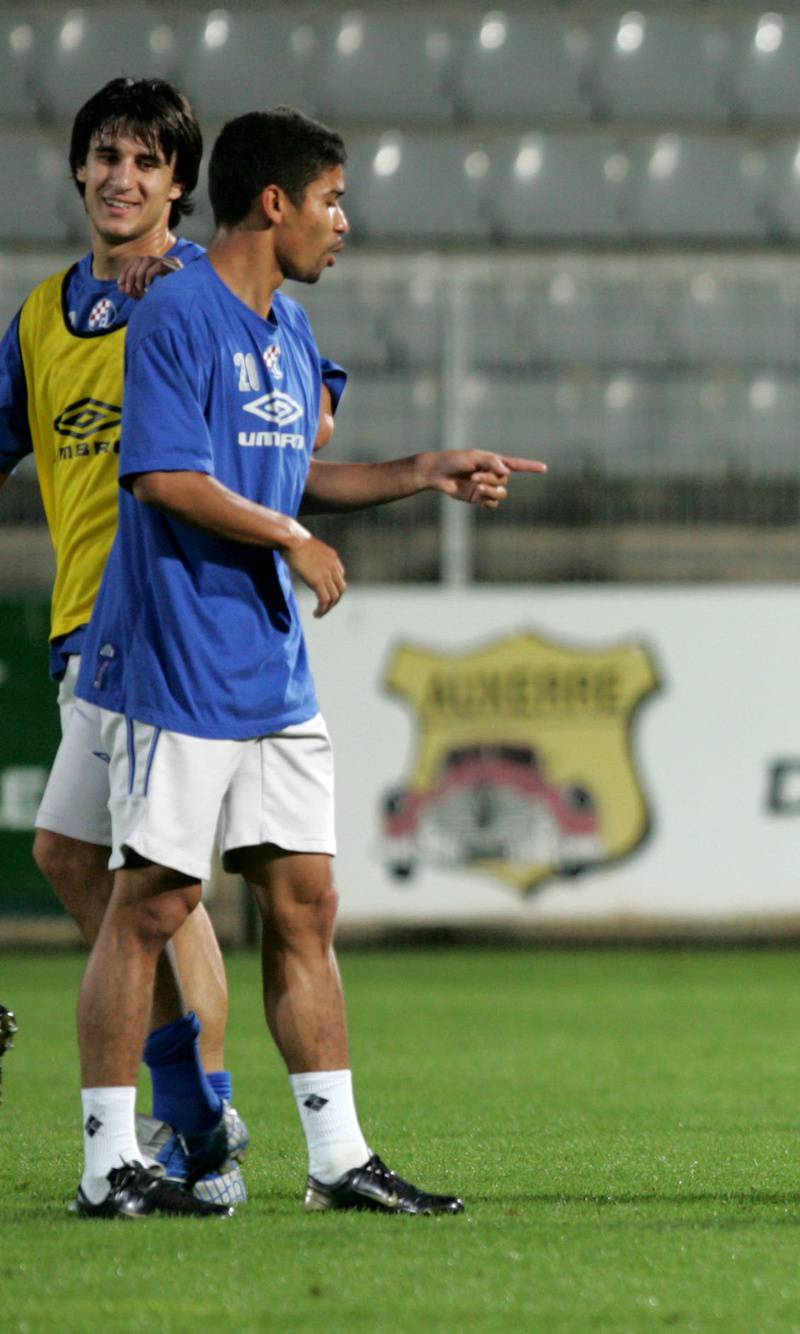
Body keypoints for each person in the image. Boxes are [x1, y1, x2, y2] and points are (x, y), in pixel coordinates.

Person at [66, 104, 543, 1219]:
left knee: (306, 899)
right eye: (332, 199)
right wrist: (288, 538)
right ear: (273, 202)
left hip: (270, 667)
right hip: (177, 653)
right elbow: (164, 478)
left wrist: (425, 466)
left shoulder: (281, 332)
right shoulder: (177, 310)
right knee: (152, 899)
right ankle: (107, 1162)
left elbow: (286, 471)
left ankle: (337, 1157)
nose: (344, 222)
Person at [0, 77, 345, 1204]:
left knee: (167, 889)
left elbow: (305, 405)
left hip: (166, 627)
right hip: (80, 628)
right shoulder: (42, 317)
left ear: (185, 188)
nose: (121, 178)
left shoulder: (206, 291)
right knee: (75, 860)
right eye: (105, 156)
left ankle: (194, 1114)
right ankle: (196, 1112)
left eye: (147, 163)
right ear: (78, 169)